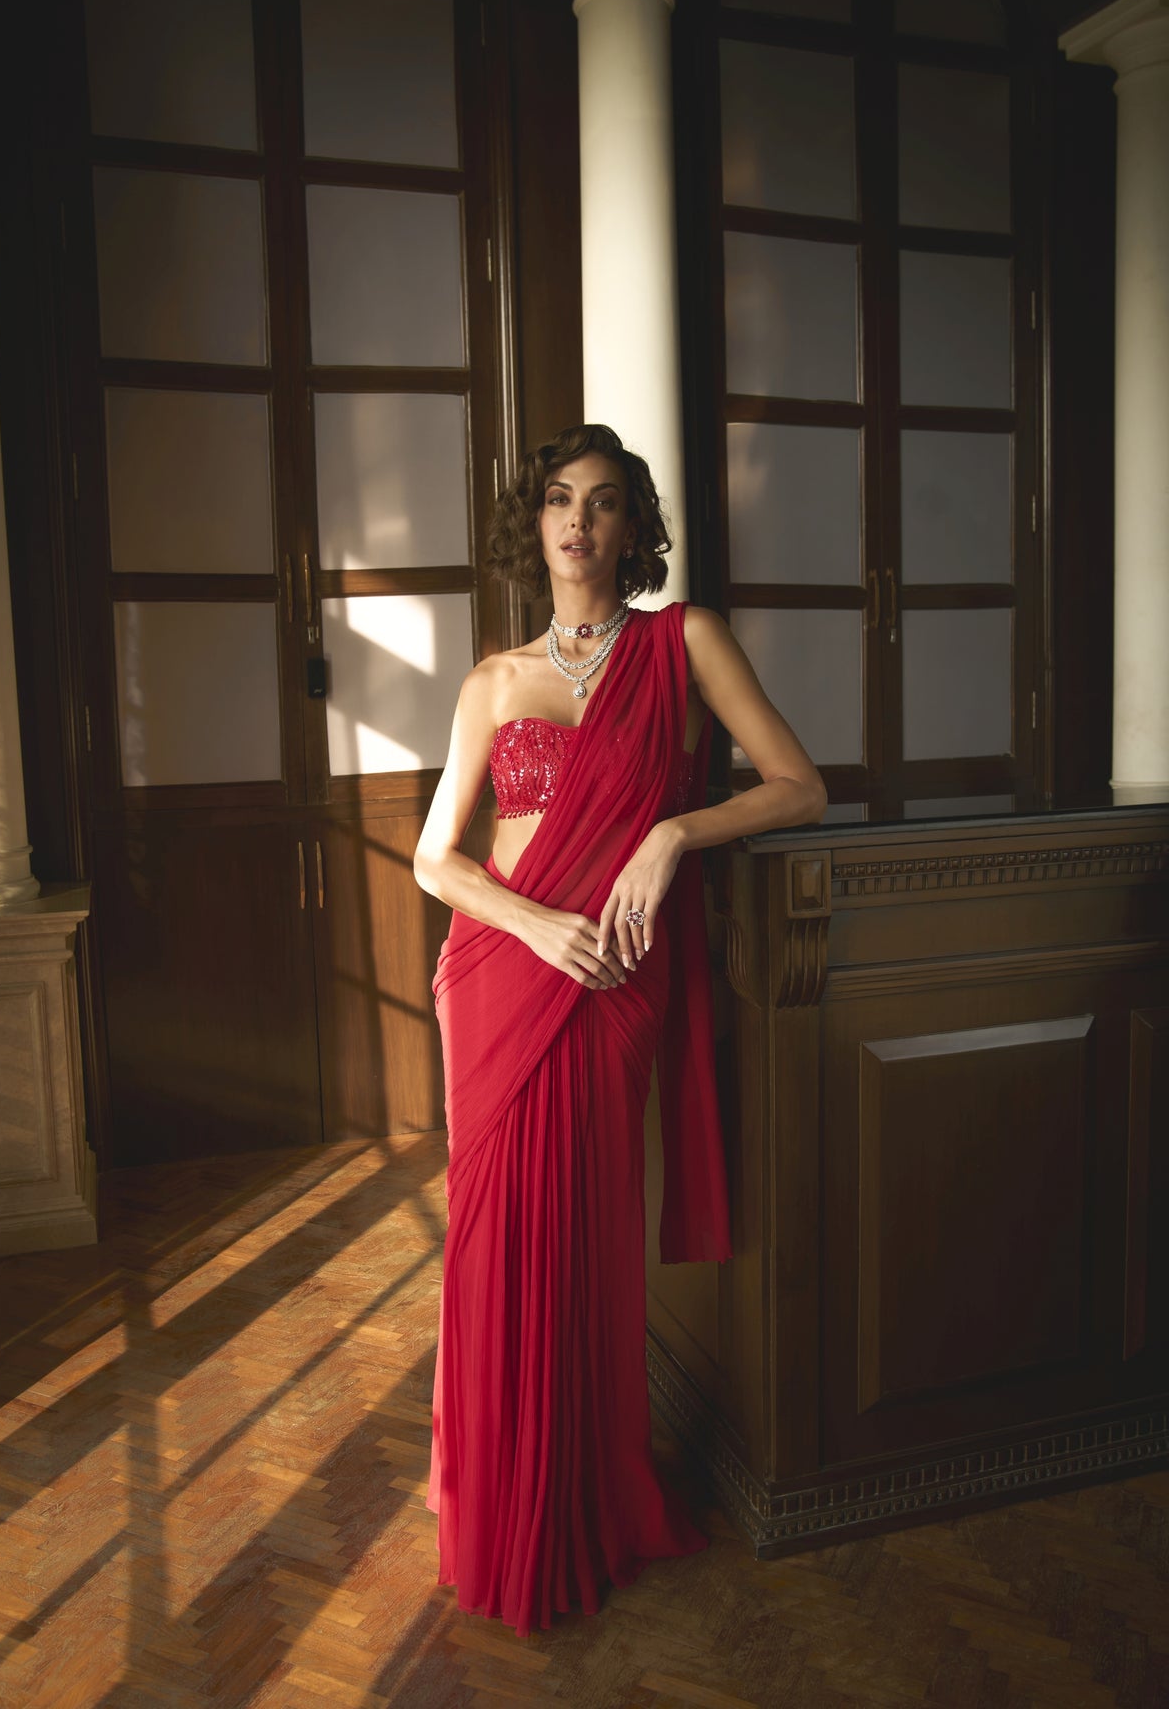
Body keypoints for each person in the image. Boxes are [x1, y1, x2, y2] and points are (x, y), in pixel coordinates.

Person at [413, 424, 826, 1638]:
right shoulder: (493, 680)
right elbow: (436, 857)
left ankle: (581, 1496)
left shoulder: (681, 640)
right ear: (532, 525)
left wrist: (672, 833)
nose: (577, 523)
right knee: (491, 1246)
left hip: (613, 987)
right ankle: (495, 1502)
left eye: (601, 503)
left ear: (633, 526)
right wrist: (535, 928)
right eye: (556, 501)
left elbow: (799, 785)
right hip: (502, 969)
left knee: (586, 1242)